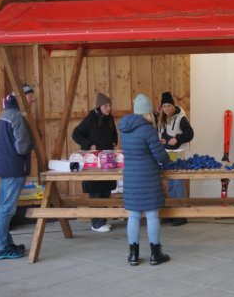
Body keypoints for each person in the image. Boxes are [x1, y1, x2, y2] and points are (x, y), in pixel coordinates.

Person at [119, 94, 172, 266]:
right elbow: (159, 155)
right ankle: (155, 254)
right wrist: (167, 159)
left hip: (131, 177)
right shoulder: (148, 130)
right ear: (148, 112)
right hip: (148, 176)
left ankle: (133, 255)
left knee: (134, 215)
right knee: (152, 214)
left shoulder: (124, 130)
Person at [0, 83, 35, 260]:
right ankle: (2, 248)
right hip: (13, 169)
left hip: (6, 167)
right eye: (30, 97)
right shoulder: (16, 116)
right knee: (6, 210)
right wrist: (33, 140)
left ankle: (6, 243)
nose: (33, 100)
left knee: (4, 208)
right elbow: (22, 147)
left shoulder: (5, 114)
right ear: (21, 98)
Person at [72, 92, 118, 232]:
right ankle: (96, 223)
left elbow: (113, 132)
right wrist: (89, 144)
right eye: (105, 106)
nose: (108, 108)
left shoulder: (109, 118)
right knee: (96, 191)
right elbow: (76, 134)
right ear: (99, 106)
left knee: (106, 191)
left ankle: (102, 220)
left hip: (107, 160)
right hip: (93, 161)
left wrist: (114, 141)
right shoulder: (90, 118)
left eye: (109, 105)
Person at [157, 91, 194, 226]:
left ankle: (182, 214)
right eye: (164, 106)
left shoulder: (180, 118)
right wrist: (162, 141)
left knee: (178, 183)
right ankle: (173, 212)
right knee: (170, 184)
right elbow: (164, 136)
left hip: (178, 156)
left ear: (173, 106)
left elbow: (190, 134)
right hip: (167, 156)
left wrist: (177, 139)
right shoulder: (161, 120)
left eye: (169, 106)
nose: (167, 109)